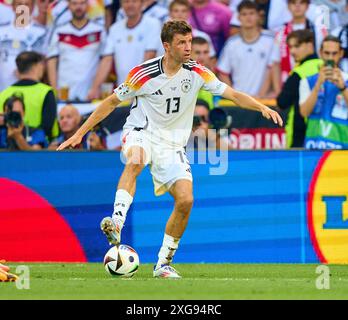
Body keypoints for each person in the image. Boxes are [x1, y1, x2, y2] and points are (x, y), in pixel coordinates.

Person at [57, 20, 283, 278]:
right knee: (136, 160)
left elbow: (232, 94)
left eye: (189, 41)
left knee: (186, 200)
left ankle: (163, 264)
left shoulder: (198, 72)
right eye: (182, 43)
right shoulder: (143, 74)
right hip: (141, 131)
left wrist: (262, 107)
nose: (189, 48)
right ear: (167, 46)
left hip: (172, 143)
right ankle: (116, 222)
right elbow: (110, 103)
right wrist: (79, 133)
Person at [88, 0, 161, 100]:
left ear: (142, 4)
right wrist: (94, 88)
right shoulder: (115, 28)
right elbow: (107, 60)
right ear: (121, 5)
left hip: (148, 91)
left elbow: (149, 58)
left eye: (134, 2)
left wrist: (134, 88)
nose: (130, 5)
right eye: (126, 1)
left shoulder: (153, 24)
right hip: (125, 93)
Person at [47, 0, 107, 101]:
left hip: (90, 94)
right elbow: (51, 61)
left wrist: (96, 87)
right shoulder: (59, 31)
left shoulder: (99, 30)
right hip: (64, 93)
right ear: (69, 6)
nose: (78, 7)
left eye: (82, 3)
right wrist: (54, 89)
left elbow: (106, 59)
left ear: (87, 5)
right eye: (74, 3)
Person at [217, 0, 274, 97]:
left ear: (258, 16)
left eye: (251, 13)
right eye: (244, 14)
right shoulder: (231, 43)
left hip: (264, 99)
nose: (248, 17)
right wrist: (234, 95)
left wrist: (261, 96)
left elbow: (273, 70)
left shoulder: (270, 40)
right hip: (239, 102)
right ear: (238, 17)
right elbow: (223, 72)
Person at [299, 35, 348, 149]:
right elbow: (304, 112)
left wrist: (343, 87)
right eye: (327, 53)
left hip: (342, 146)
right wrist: (318, 85)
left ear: (341, 54)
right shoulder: (307, 81)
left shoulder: (346, 79)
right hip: (314, 146)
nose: (330, 57)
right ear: (320, 53)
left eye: (334, 53)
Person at [277, 30, 322, 148]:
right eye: (290, 47)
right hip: (324, 131)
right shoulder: (327, 68)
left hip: (301, 133)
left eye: (297, 46)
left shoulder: (299, 72)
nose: (292, 51)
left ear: (310, 44)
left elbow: (282, 102)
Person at [271, 0, 327, 92]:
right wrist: (278, 91)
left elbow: (324, 58)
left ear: (308, 6)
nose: (297, 6)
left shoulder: (318, 30)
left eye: (301, 2)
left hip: (313, 84)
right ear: (288, 6)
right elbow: (276, 63)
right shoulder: (280, 32)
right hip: (288, 84)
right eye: (293, 3)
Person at [0, 51, 58, 140]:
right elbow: (48, 127)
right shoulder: (47, 92)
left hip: (7, 148)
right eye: (42, 65)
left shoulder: (3, 94)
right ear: (37, 66)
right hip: (39, 149)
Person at [0, 0, 47, 91]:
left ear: (33, 8)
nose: (23, 9)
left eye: (27, 5)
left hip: (31, 89)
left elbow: (44, 63)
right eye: (19, 4)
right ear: (13, 7)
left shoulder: (41, 33)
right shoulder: (1, 31)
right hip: (3, 89)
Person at [191, 37, 215, 109]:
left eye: (205, 52)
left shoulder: (212, 77)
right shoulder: (181, 76)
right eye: (197, 52)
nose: (202, 57)